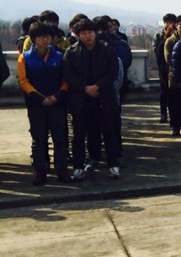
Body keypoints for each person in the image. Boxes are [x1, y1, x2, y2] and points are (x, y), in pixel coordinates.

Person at [62, 19, 121, 180]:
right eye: (83, 33)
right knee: (79, 135)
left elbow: (113, 72)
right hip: (80, 99)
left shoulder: (107, 49)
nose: (87, 36)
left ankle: (113, 165)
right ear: (78, 35)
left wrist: (98, 86)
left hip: (103, 97)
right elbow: (68, 74)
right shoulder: (71, 52)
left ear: (95, 33)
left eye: (90, 32)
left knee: (109, 132)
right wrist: (84, 87)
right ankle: (78, 167)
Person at [17, 22, 71, 184]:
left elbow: (66, 78)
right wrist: (40, 98)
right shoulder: (25, 58)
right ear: (33, 39)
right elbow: (23, 81)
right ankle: (41, 171)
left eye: (48, 36)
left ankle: (62, 170)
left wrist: (59, 95)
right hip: (36, 105)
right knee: (39, 139)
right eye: (41, 37)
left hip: (58, 103)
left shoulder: (60, 56)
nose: (45, 40)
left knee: (60, 138)